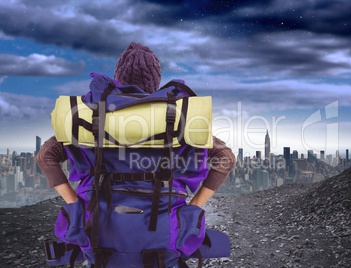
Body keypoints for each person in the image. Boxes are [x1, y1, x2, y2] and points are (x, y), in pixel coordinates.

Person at [36, 42, 235, 266]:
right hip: (163, 238)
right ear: (155, 81)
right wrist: (194, 207)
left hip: (98, 234)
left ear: (117, 76)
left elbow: (46, 157)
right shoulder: (179, 117)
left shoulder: (89, 114)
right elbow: (225, 158)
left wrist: (75, 207)